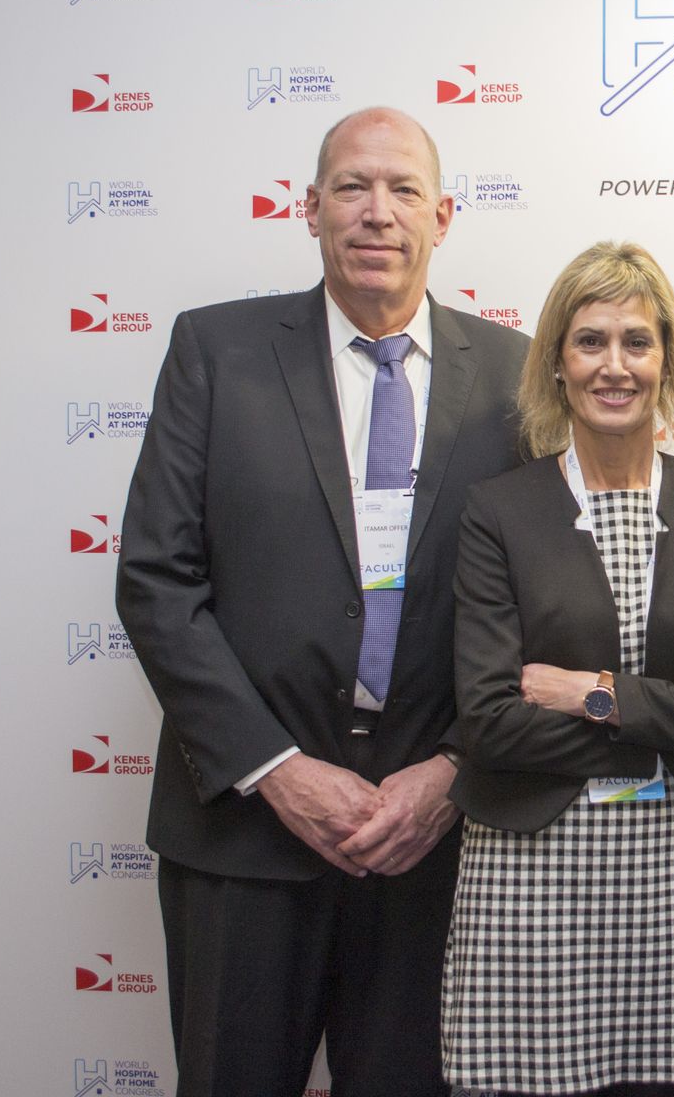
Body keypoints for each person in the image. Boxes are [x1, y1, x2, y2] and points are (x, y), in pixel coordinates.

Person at [115, 107, 529, 1097]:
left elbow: (547, 604)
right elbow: (156, 580)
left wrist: (455, 769)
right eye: (351, 187)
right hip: (246, 839)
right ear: (309, 209)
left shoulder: (519, 375)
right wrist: (275, 769)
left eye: (403, 190)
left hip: (435, 846)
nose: (377, 212)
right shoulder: (216, 351)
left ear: (443, 216)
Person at [442, 241, 674, 1097]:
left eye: (638, 341)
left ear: (666, 359)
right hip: (529, 876)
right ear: (557, 363)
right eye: (590, 341)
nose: (615, 365)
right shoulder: (499, 512)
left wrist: (594, 694)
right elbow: (489, 724)